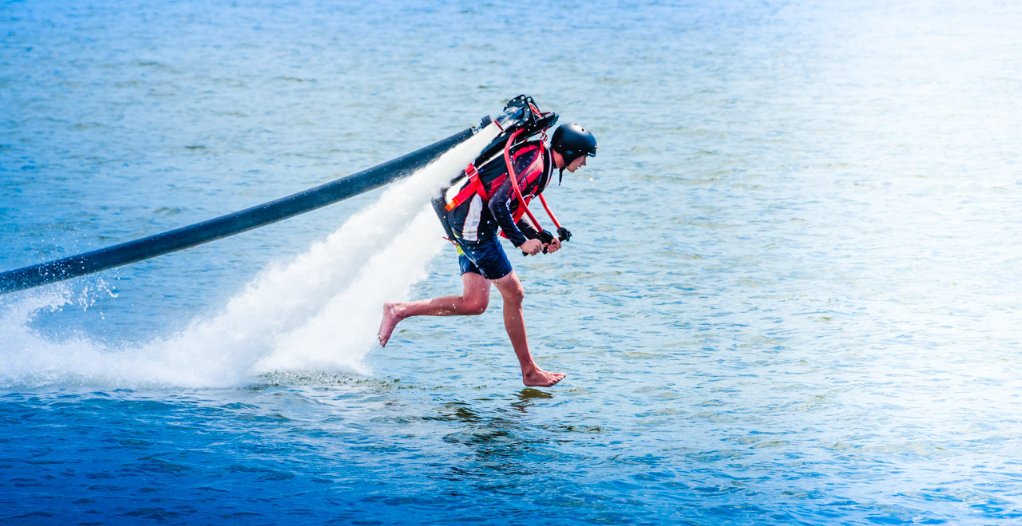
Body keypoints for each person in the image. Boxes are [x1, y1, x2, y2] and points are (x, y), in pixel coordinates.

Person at [377, 123, 597, 387]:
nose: (584, 163)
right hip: (474, 225)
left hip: (468, 220)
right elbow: (497, 204)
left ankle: (399, 310)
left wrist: (539, 237)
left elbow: (509, 205)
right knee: (514, 294)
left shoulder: (539, 160)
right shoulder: (536, 164)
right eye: (584, 156)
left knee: (475, 303)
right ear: (570, 151)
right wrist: (520, 242)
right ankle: (530, 372)